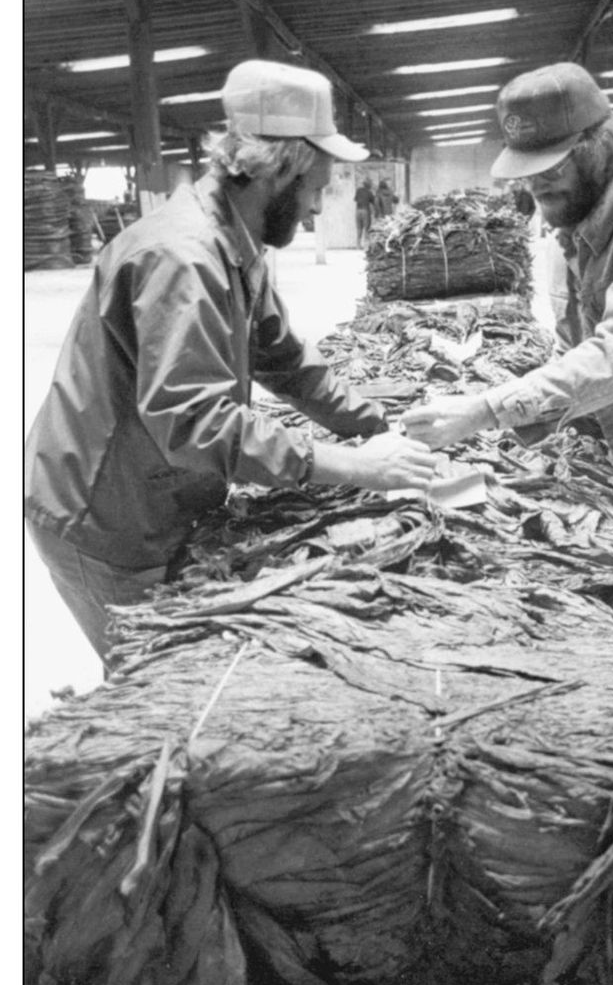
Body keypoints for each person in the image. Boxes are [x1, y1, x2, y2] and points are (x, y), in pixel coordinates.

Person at [25, 59, 435, 663]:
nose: (319, 210)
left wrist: (380, 429)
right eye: (317, 189)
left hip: (153, 490)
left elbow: (287, 360)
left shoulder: (235, 241)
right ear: (280, 171)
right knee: (158, 680)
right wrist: (358, 468)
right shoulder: (182, 259)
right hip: (107, 516)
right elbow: (195, 424)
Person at [401, 61, 613, 559]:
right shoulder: (564, 233)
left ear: (601, 150)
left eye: (553, 167)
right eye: (527, 172)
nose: (537, 186)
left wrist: (484, 411)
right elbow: (574, 348)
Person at [355, 178, 375, 246]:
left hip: (358, 211)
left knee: (359, 228)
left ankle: (358, 245)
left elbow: (355, 199)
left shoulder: (358, 190)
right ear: (369, 185)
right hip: (365, 211)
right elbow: (373, 201)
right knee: (366, 228)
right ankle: (365, 245)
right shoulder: (369, 192)